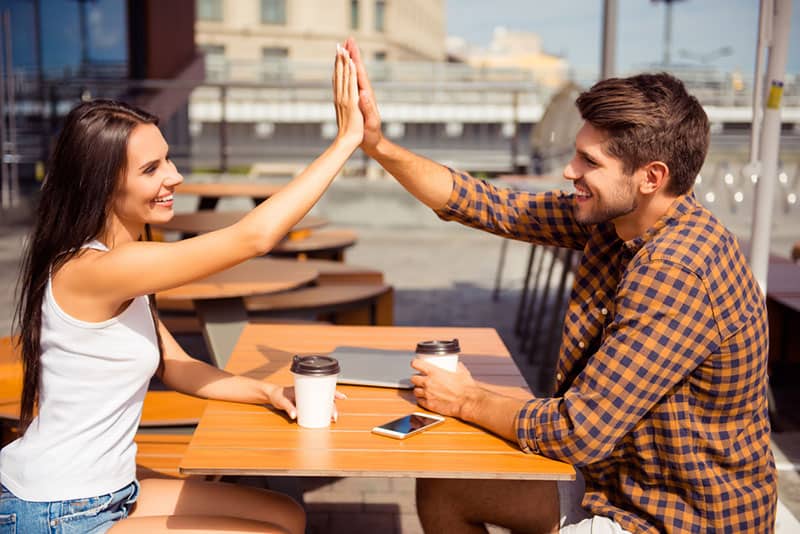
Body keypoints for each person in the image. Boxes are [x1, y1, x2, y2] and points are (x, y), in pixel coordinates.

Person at [343, 38, 777, 534]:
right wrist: (376, 145)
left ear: (650, 177)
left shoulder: (677, 270)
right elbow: (488, 204)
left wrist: (465, 399)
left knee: (462, 442)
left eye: (589, 162)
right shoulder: (618, 221)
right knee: (445, 483)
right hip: (617, 481)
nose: (571, 171)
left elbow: (579, 431)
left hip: (676, 520)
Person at [0, 45, 361, 533]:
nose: (175, 176)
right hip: (58, 510)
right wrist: (344, 142)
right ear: (102, 185)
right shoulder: (93, 269)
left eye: (167, 159)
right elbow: (253, 237)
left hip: (113, 487)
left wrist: (268, 392)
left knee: (286, 515)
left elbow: (176, 367)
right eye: (151, 169)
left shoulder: (128, 267)